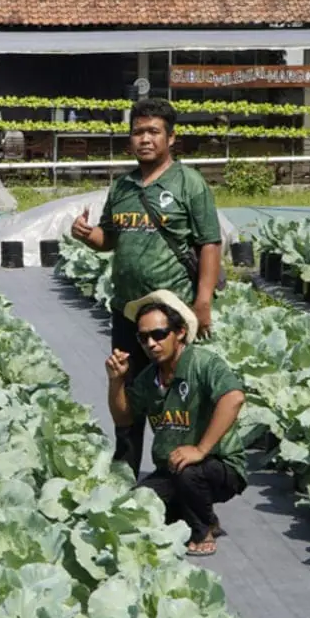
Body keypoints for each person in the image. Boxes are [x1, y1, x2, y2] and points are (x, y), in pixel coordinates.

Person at [71, 98, 223, 474]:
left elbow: (209, 243)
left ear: (171, 138)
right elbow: (110, 238)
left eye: (154, 131)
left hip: (172, 315)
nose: (145, 139)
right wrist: (88, 235)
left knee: (176, 397)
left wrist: (203, 302)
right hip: (127, 310)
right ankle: (125, 474)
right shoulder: (123, 186)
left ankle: (184, 482)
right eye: (138, 132)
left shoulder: (189, 183)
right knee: (125, 386)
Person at [105, 290, 246, 557]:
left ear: (180, 332)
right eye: (143, 337)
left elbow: (234, 398)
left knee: (189, 471)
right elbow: (124, 418)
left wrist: (201, 449)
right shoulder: (149, 378)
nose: (151, 343)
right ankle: (203, 516)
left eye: (159, 334)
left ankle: (202, 531)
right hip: (172, 469)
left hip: (219, 466)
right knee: (139, 504)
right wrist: (116, 381)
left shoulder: (202, 363)